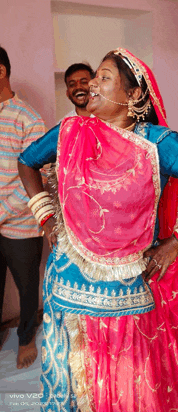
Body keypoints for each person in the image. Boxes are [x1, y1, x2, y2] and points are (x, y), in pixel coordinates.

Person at [18, 48, 178, 412]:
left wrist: (177, 243)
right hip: (66, 284)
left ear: (134, 95)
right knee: (69, 377)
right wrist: (45, 215)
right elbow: (27, 161)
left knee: (126, 384)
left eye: (104, 77)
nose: (92, 84)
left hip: (124, 293)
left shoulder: (158, 144)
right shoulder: (69, 132)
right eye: (95, 76)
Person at [0, 46, 46, 369]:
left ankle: (26, 336)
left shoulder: (28, 118)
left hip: (21, 224)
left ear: (1, 71)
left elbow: (34, 178)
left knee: (27, 287)